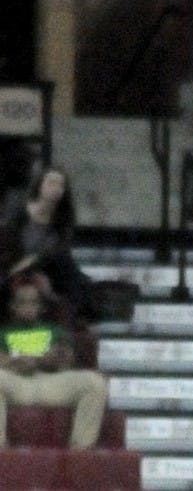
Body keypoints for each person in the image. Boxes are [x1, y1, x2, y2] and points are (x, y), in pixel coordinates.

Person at [0, 271, 109, 448]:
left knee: (95, 383)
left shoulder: (55, 330)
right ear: (12, 306)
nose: (28, 308)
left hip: (49, 382)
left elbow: (65, 361)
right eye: (22, 303)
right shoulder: (3, 332)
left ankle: (80, 450)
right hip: (16, 383)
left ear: (41, 307)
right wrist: (17, 363)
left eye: (33, 303)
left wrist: (45, 361)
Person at [0, 165, 96, 323]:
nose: (56, 188)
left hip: (46, 266)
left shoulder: (63, 219)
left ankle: (70, 324)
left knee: (75, 280)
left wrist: (36, 263)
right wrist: (18, 266)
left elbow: (57, 251)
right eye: (51, 183)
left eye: (60, 185)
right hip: (14, 263)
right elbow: (7, 243)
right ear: (40, 185)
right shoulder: (20, 212)